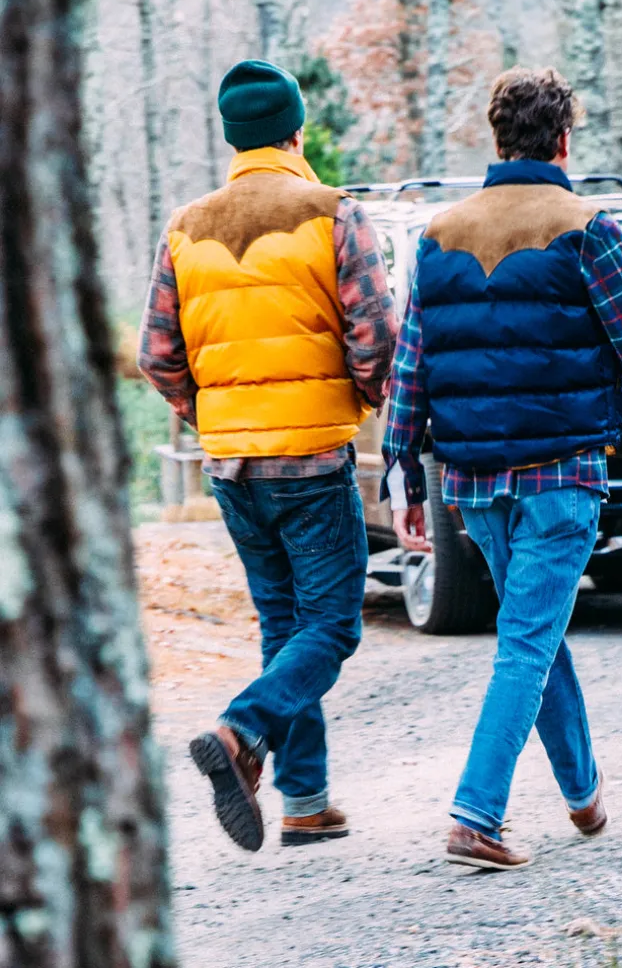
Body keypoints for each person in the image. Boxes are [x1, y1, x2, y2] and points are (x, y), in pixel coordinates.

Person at [382, 66, 622, 870]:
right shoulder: (586, 225)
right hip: (561, 476)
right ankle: (476, 816)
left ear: (497, 138)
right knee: (527, 642)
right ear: (563, 140)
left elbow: (412, 364)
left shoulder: (439, 233)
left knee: (535, 632)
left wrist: (402, 471)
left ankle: (583, 794)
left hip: (472, 483)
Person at [139, 60, 397, 852]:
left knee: (285, 624)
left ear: (234, 138)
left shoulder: (185, 228)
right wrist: (361, 400)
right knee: (333, 627)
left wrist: (210, 413)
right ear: (296, 131)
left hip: (230, 465)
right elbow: (378, 336)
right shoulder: (335, 213)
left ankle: (305, 801)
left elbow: (157, 353)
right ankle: (240, 729)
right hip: (311, 458)